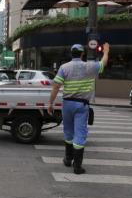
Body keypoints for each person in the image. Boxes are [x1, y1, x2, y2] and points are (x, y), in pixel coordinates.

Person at [47, 43, 110, 174]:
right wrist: (106, 51)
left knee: (68, 131)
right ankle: (77, 166)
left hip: (67, 104)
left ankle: (68, 159)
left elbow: (56, 87)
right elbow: (103, 63)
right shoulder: (90, 66)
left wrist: (50, 103)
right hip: (82, 105)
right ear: (82, 54)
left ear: (71, 53)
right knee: (80, 134)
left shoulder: (64, 67)